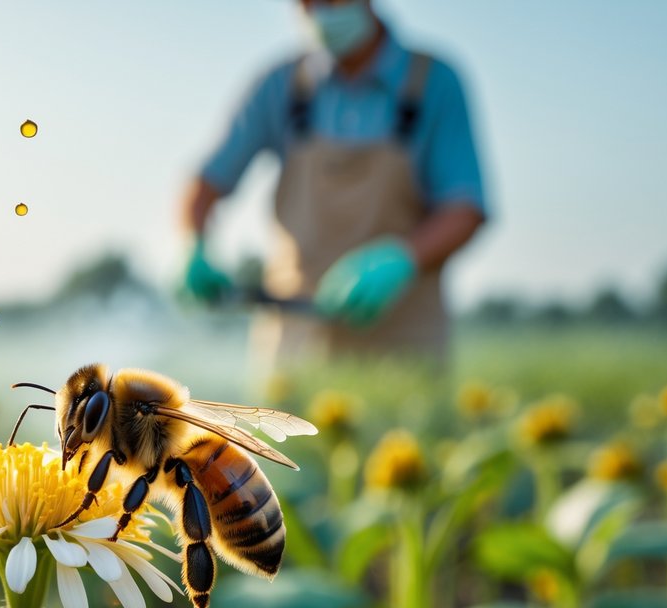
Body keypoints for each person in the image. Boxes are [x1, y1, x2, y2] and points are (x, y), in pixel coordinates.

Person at [181, 0, 487, 366]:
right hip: (293, 340)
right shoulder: (278, 84)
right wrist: (193, 243)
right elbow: (206, 182)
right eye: (306, 3)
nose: (319, 11)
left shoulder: (435, 81)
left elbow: (465, 208)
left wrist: (401, 258)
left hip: (404, 345)